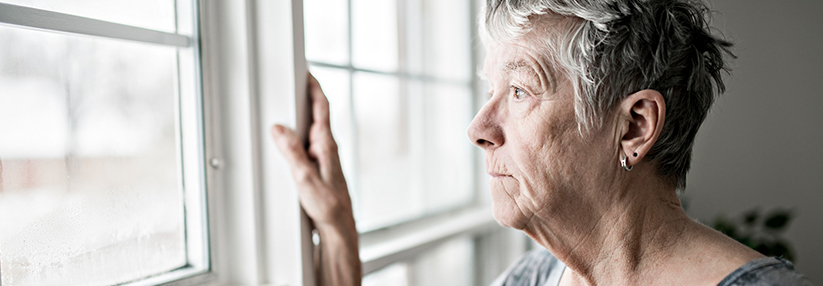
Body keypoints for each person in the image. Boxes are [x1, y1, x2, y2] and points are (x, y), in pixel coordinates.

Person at [271, 0, 813, 285]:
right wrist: (340, 243)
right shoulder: (529, 279)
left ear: (634, 127)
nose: (478, 127)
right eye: (490, 90)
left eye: (520, 89)